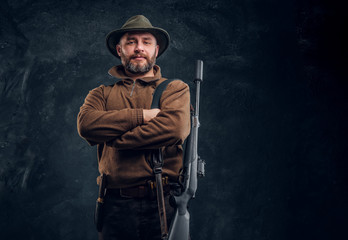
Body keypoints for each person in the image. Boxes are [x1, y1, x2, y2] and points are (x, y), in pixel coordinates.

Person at [77, 15, 191, 240]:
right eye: (131, 42)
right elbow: (87, 125)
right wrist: (143, 115)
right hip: (114, 206)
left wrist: (117, 139)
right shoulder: (101, 94)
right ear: (119, 49)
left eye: (146, 42)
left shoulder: (175, 89)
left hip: (163, 202)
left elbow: (175, 128)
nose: (139, 48)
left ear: (156, 50)